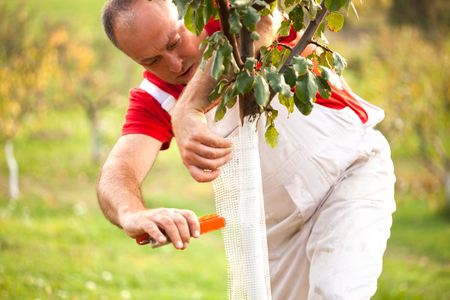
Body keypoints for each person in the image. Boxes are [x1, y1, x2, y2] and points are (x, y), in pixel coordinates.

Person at [97, 0, 396, 299]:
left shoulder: (229, 13)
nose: (174, 65)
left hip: (350, 176)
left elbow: (265, 23)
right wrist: (131, 214)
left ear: (188, 10)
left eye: (175, 41)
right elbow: (119, 169)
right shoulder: (156, 97)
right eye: (152, 61)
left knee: (336, 293)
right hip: (277, 233)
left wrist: (189, 106)